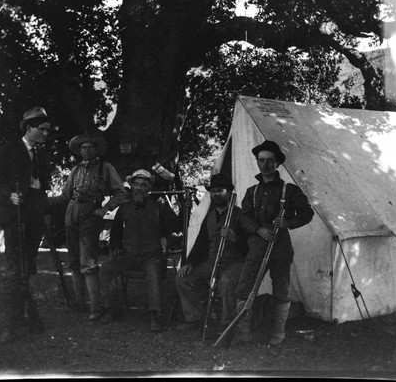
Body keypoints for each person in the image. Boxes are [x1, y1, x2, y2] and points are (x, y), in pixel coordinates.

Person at [235, 140, 314, 346]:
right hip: (257, 248)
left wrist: (288, 222)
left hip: (280, 249)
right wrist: (258, 229)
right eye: (261, 160)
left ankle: (278, 334)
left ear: (277, 164)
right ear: (258, 163)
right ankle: (243, 333)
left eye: (270, 161)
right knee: (245, 288)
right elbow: (243, 218)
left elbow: (307, 213)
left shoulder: (290, 190)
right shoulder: (252, 192)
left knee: (281, 289)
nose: (265, 164)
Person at [0, 107, 54, 343]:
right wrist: (8, 196)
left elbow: (41, 187)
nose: (46, 134)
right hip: (14, 215)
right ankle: (12, 325)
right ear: (29, 128)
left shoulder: (41, 155)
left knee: (27, 268)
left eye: (48, 129)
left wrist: (44, 209)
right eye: (42, 129)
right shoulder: (10, 149)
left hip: (33, 216)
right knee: (15, 271)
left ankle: (25, 317)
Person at [50, 133, 127, 321]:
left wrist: (105, 209)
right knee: (74, 260)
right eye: (83, 148)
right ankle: (79, 302)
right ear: (79, 150)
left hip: (91, 215)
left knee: (88, 262)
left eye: (90, 147)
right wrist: (44, 203)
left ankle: (95, 307)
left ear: (96, 149)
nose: (86, 151)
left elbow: (121, 193)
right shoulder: (75, 170)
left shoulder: (106, 168)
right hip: (71, 213)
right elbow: (65, 196)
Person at [98, 169, 180, 332]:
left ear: (149, 187)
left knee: (153, 273)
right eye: (136, 185)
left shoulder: (160, 207)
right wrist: (115, 247)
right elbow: (115, 231)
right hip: (129, 255)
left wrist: (165, 237)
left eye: (143, 185)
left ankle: (154, 315)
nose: (139, 188)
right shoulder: (124, 208)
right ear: (131, 187)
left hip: (151, 255)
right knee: (106, 268)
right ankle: (111, 309)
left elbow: (176, 227)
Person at [175, 174, 248, 332]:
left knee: (227, 281)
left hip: (235, 263)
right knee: (184, 278)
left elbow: (251, 246)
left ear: (228, 193)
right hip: (212, 262)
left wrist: (234, 238)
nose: (216, 194)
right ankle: (194, 318)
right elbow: (200, 244)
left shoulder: (240, 215)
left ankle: (226, 324)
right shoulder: (209, 217)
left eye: (220, 190)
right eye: (213, 191)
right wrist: (190, 263)